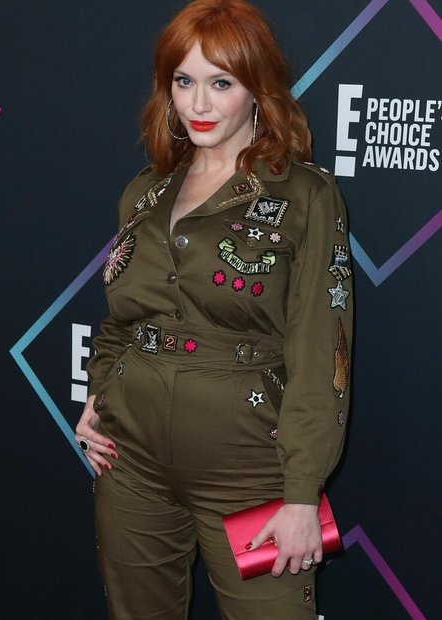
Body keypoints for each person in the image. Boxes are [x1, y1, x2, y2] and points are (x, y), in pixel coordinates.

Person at [75, 1, 353, 618]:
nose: (198, 103)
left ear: (256, 88)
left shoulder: (306, 196)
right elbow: (123, 319)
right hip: (131, 465)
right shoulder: (145, 192)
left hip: (251, 468)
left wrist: (302, 495)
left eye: (221, 83)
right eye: (184, 81)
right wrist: (99, 393)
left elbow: (321, 352)